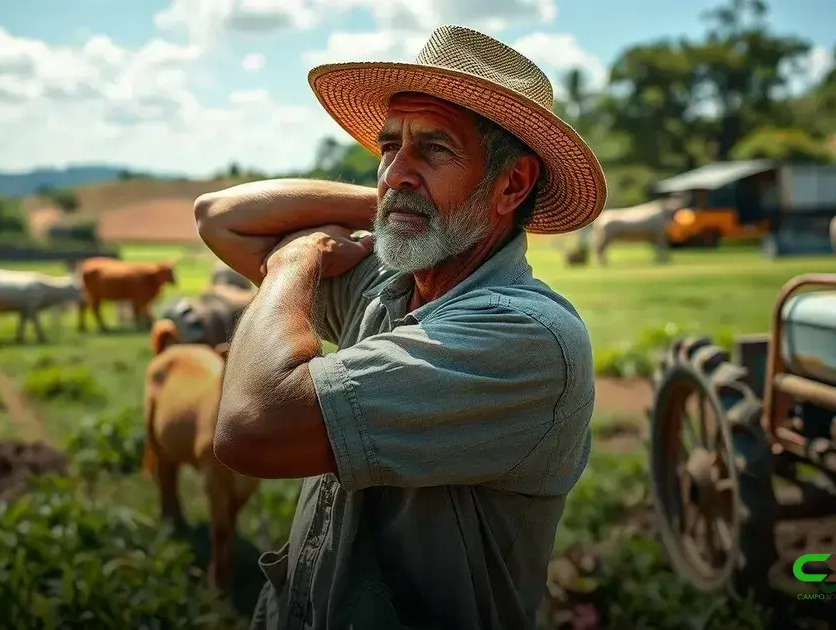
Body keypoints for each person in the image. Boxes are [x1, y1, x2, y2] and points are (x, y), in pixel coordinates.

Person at [194, 24, 607, 630]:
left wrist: (295, 260)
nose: (393, 172)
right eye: (390, 147)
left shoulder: (526, 337)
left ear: (512, 183)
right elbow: (220, 216)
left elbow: (252, 428)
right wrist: (405, 200)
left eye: (435, 149)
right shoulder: (391, 285)